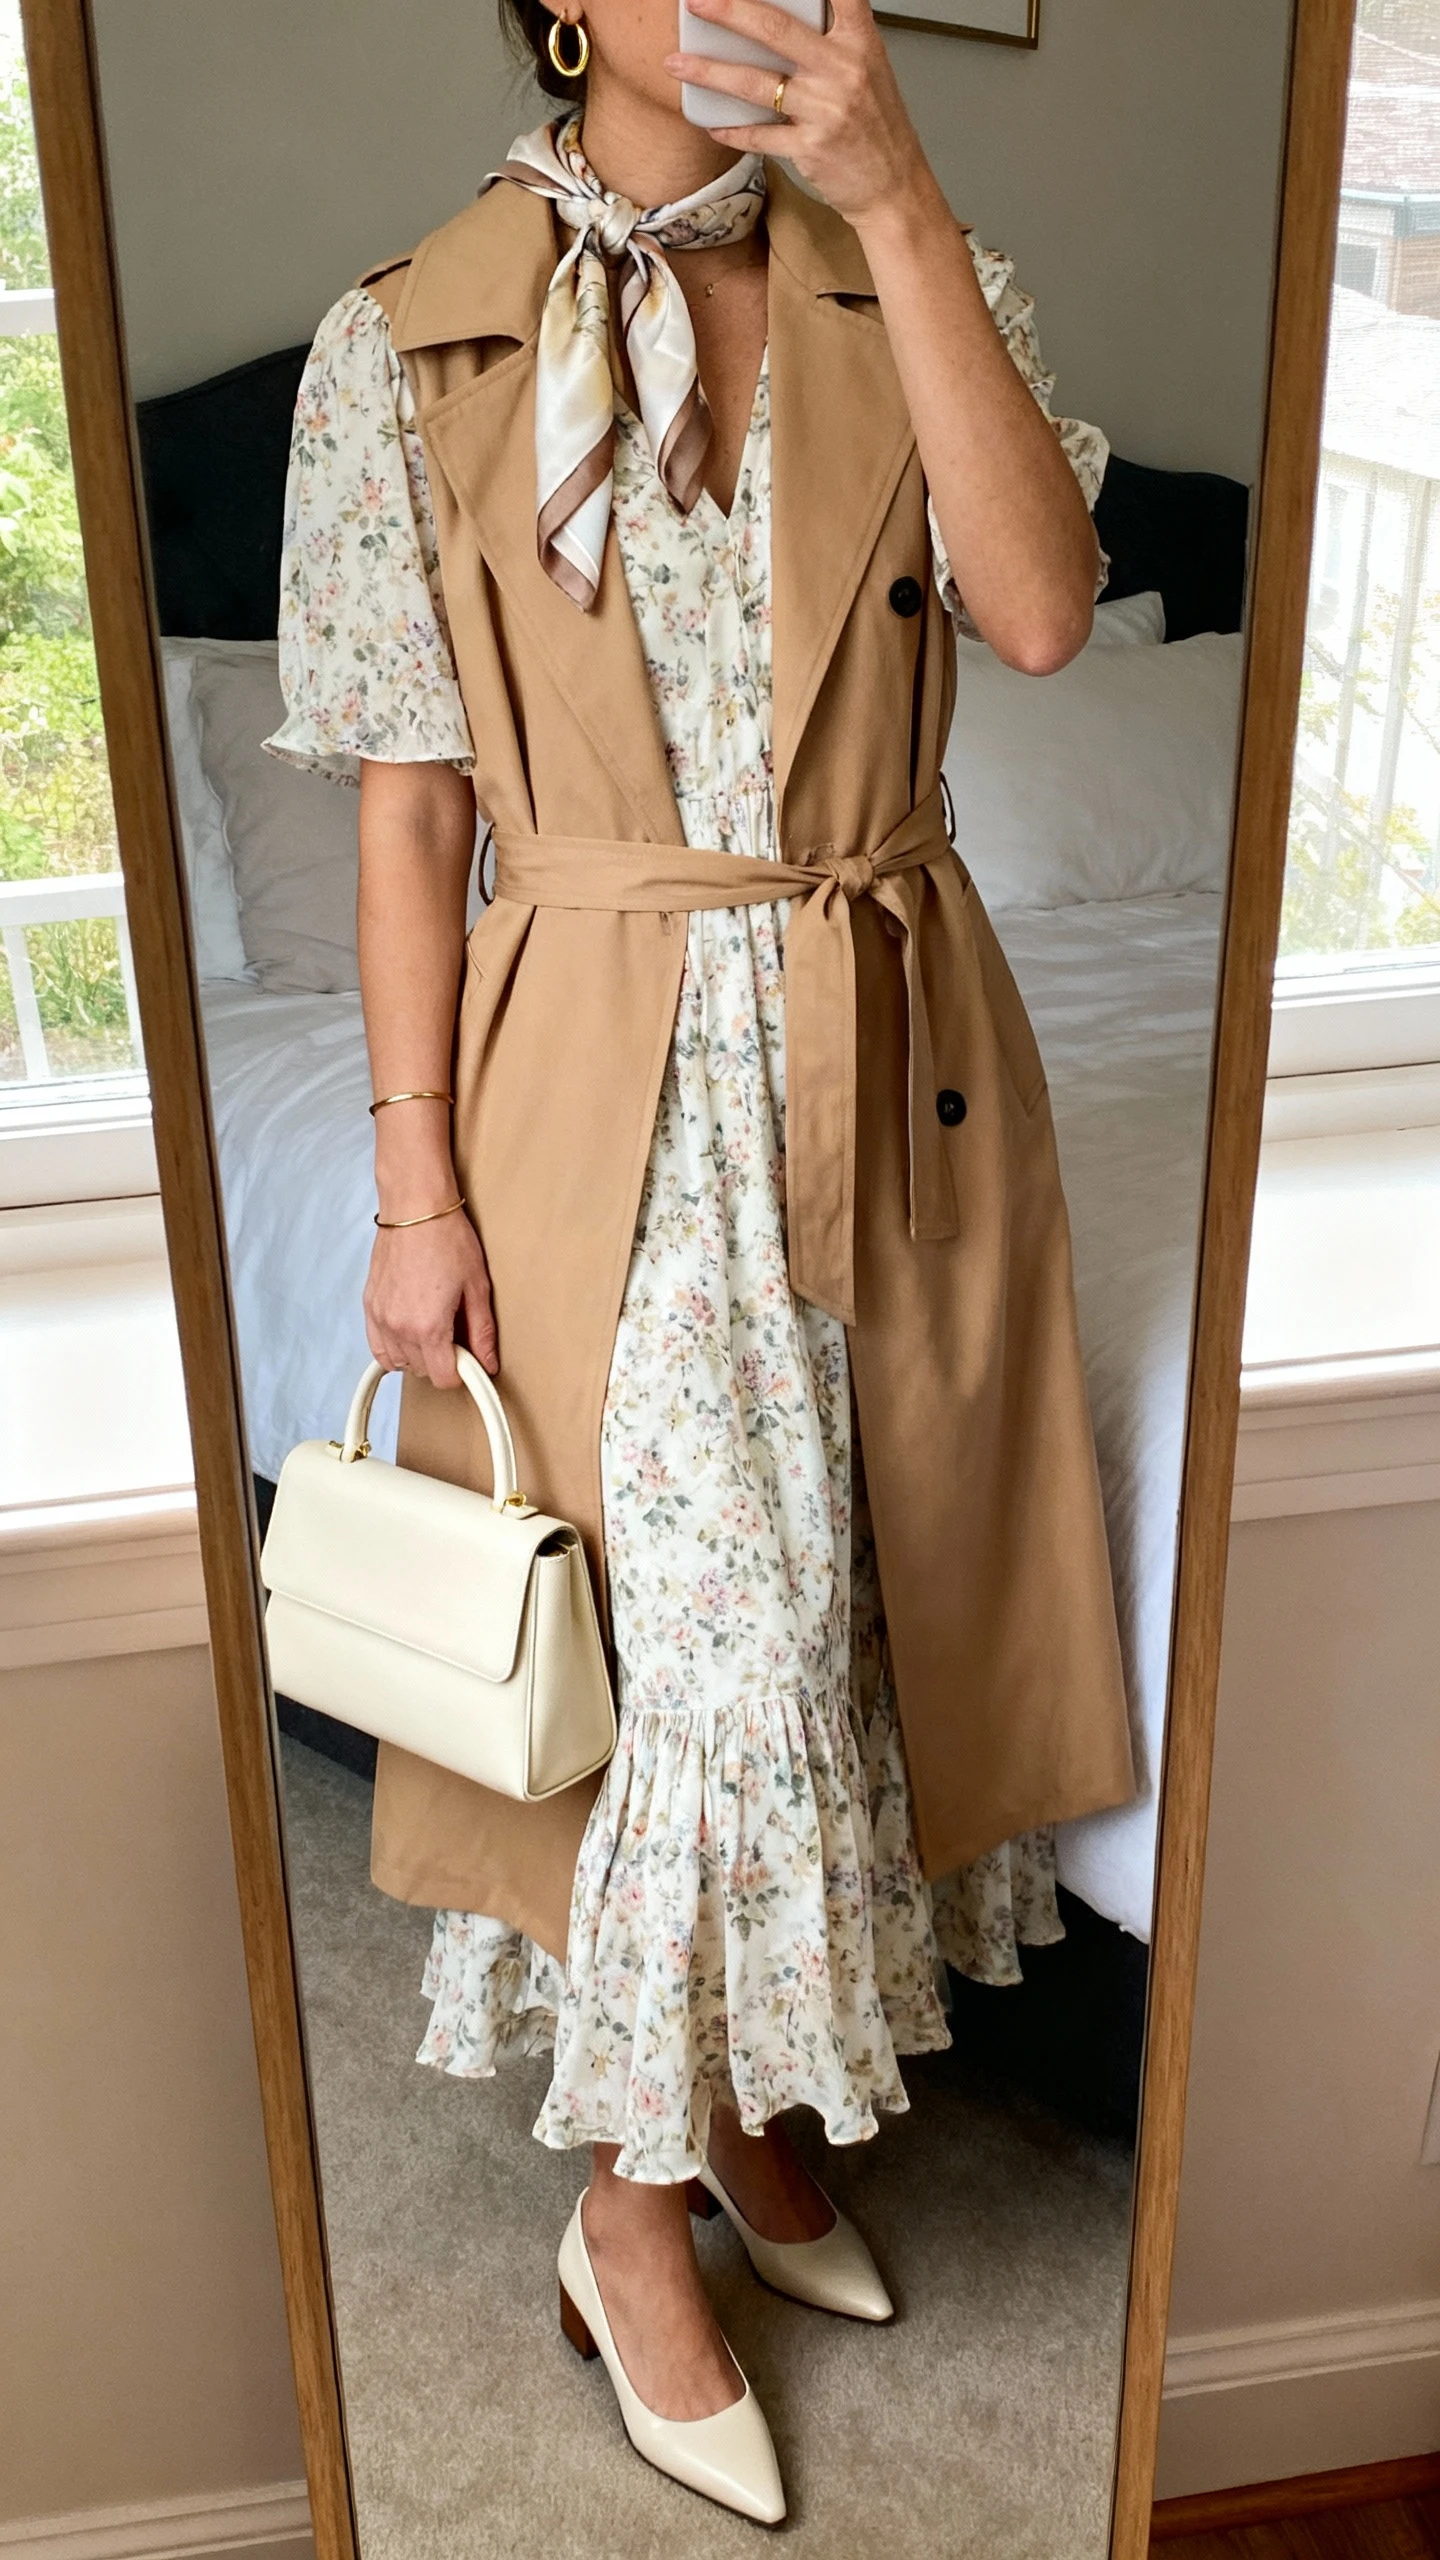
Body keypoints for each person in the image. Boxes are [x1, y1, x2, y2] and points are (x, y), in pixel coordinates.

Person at [268, 0, 1134, 2522]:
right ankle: (628, 2218)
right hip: (602, 1066)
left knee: (857, 1606)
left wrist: (899, 201)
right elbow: (412, 823)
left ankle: (759, 2125)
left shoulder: (915, 272)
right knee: (704, 1640)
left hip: (904, 1028)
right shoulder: (406, 336)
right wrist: (417, 1193)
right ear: (561, 7)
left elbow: (1050, 614)